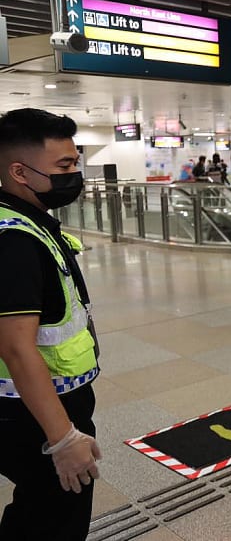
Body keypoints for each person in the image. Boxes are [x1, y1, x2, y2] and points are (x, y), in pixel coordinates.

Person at [0, 108, 103, 540]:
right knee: (53, 522)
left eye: (76, 163)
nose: (74, 174)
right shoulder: (15, 242)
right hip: (35, 415)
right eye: (63, 166)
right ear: (20, 172)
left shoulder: (32, 224)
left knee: (38, 512)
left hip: (43, 404)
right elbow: (17, 348)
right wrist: (62, 439)